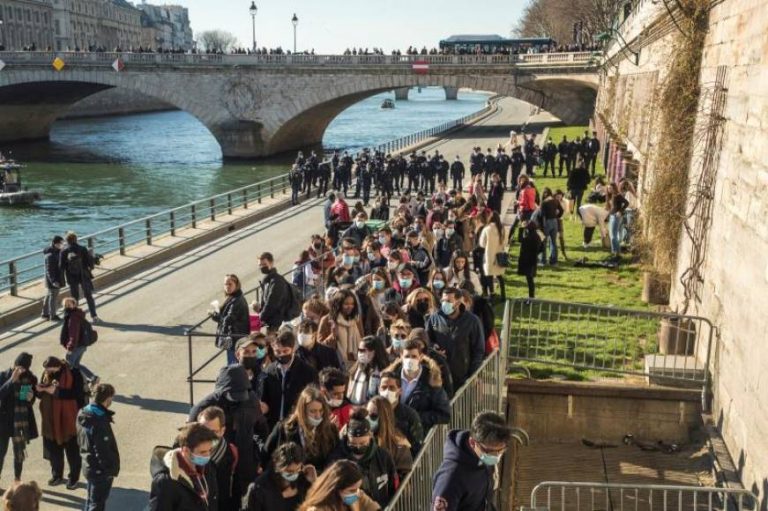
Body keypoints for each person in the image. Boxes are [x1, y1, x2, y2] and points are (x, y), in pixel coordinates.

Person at [189, 364, 265, 488]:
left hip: (246, 461)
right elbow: (189, 439)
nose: (237, 400)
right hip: (217, 464)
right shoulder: (204, 407)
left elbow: (261, 428)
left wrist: (259, 457)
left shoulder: (251, 400)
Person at [431, 411, 514, 511]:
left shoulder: (483, 459)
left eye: (501, 450)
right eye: (490, 451)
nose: (496, 456)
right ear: (472, 443)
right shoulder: (451, 478)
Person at [327, 409, 397, 508]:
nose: (358, 447)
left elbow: (393, 486)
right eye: (353, 444)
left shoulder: (383, 456)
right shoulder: (336, 459)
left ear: (370, 435)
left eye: (363, 443)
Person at [263, 385, 338, 472]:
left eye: (321, 411)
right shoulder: (284, 429)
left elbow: (334, 458)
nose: (318, 416)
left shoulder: (330, 431)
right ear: (302, 411)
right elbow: (267, 455)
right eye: (313, 411)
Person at [37, 357, 85, 490]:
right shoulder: (47, 374)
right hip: (51, 419)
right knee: (54, 450)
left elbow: (77, 394)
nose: (47, 371)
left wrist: (57, 392)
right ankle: (57, 475)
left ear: (57, 366)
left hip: (69, 418)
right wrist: (40, 390)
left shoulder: (73, 373)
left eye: (49, 368)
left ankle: (73, 478)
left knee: (72, 451)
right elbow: (42, 394)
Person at [149, 423, 219, 511]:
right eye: (202, 452)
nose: (207, 456)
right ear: (186, 451)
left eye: (210, 450)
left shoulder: (208, 468)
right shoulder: (166, 482)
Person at [425, 288, 484, 389]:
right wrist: (432, 347)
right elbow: (426, 341)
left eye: (448, 301)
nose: (444, 304)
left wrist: (474, 374)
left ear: (458, 302)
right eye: (443, 301)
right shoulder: (434, 318)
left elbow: (478, 350)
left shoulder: (472, 321)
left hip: (462, 376)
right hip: (440, 373)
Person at [261, 330, 319, 429]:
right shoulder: (268, 371)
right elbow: (265, 399)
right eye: (278, 352)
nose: (282, 355)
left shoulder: (308, 371)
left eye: (285, 351)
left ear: (293, 349)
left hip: (298, 424)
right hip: (274, 425)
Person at [77, 383, 119, 511]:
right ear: (108, 399)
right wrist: (109, 469)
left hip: (87, 463)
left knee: (91, 500)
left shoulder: (84, 411)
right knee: (97, 504)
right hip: (99, 470)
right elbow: (102, 449)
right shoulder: (99, 419)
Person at [0, 353, 38, 485]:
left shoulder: (28, 379)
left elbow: (26, 402)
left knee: (19, 453)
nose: (21, 371)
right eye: (19, 368)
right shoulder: (3, 376)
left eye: (24, 369)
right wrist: (11, 381)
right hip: (3, 422)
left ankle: (17, 480)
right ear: (14, 365)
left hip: (19, 422)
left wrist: (30, 399)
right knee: (0, 453)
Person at [243, 442, 315, 511]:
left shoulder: (303, 481)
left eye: (297, 470)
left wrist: (314, 484)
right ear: (278, 468)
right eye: (289, 471)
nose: (294, 475)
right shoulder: (259, 489)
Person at [196, 406, 240, 511]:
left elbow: (236, 489)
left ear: (222, 431)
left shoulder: (232, 453)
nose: (207, 436)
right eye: (203, 430)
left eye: (213, 432)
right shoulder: (190, 453)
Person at [298, 460, 380, 511]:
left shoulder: (357, 495)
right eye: (352, 490)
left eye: (358, 488)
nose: (357, 493)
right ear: (336, 488)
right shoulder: (318, 509)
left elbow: (373, 507)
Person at [366, 396, 413, 478]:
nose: (368, 419)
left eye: (373, 415)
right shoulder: (363, 440)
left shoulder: (400, 446)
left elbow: (404, 480)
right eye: (366, 414)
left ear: (384, 418)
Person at [377, 372, 424, 452]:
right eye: (384, 387)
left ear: (400, 391)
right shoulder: (372, 412)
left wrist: (407, 445)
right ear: (378, 389)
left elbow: (418, 447)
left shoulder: (410, 415)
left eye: (391, 388)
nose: (387, 391)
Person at [59, 232, 99, 323]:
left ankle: (74, 317)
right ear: (76, 239)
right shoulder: (82, 249)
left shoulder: (64, 251)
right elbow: (90, 263)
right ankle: (94, 316)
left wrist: (63, 280)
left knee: (74, 297)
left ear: (67, 240)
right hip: (83, 275)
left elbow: (61, 267)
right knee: (88, 296)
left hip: (71, 276)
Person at [59, 297, 99, 387]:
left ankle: (84, 382)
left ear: (74, 304)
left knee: (69, 366)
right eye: (65, 305)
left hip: (76, 346)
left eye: (69, 304)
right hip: (82, 345)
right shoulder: (77, 314)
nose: (67, 306)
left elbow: (74, 334)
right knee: (76, 365)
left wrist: (70, 347)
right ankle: (93, 377)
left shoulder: (73, 318)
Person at [318, 289, 364, 366]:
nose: (350, 306)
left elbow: (362, 339)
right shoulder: (327, 320)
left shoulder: (356, 319)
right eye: (346, 304)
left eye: (352, 304)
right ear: (338, 304)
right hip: (336, 363)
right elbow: (320, 347)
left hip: (356, 363)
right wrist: (333, 336)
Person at [256, 253, 294, 332]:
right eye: (260, 265)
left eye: (264, 264)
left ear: (271, 263)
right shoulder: (268, 280)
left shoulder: (276, 281)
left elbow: (271, 304)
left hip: (277, 322)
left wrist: (260, 318)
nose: (262, 267)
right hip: (271, 321)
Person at [347, 336, 389, 406]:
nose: (360, 353)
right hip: (352, 408)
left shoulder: (382, 372)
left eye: (363, 350)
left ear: (374, 352)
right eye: (359, 350)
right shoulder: (357, 368)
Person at [478, 211, 506, 301]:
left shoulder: (487, 229)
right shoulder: (502, 228)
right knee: (499, 276)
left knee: (489, 275)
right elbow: (505, 241)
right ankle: (503, 294)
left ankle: (492, 294)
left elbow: (482, 243)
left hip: (489, 255)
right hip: (499, 254)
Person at [517, 222, 543, 300]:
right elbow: (542, 247)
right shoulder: (537, 236)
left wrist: (521, 229)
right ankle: (531, 296)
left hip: (527, 260)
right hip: (533, 259)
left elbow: (520, 239)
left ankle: (531, 297)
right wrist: (537, 253)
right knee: (530, 279)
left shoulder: (528, 237)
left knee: (530, 280)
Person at [539, 188, 564, 266]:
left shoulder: (544, 203)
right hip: (555, 222)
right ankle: (554, 261)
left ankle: (543, 261)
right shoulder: (555, 201)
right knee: (553, 242)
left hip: (547, 222)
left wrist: (542, 226)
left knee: (544, 242)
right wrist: (557, 216)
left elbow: (542, 216)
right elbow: (561, 210)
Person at [42, 235, 64, 321]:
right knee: (53, 296)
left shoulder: (56, 252)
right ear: (55, 243)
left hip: (53, 278)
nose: (62, 245)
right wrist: (54, 281)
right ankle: (53, 315)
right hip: (54, 279)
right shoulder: (50, 255)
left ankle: (45, 313)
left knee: (49, 295)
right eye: (60, 243)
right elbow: (49, 270)